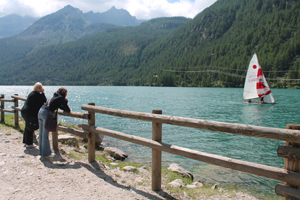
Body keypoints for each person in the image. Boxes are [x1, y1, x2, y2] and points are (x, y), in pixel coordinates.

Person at [38, 87, 71, 159]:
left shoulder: (54, 97)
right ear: (64, 93)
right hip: (46, 114)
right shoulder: (61, 98)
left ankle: (41, 152)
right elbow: (67, 109)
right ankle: (46, 154)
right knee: (45, 135)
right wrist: (66, 101)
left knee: (41, 133)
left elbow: (59, 106)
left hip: (41, 111)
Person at [21, 82, 47, 147]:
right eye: (40, 87)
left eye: (41, 87)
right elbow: (44, 100)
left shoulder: (32, 93)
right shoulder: (36, 94)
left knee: (27, 126)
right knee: (31, 127)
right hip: (29, 113)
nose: (41, 88)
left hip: (25, 111)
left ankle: (26, 141)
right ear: (37, 88)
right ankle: (29, 143)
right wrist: (43, 93)